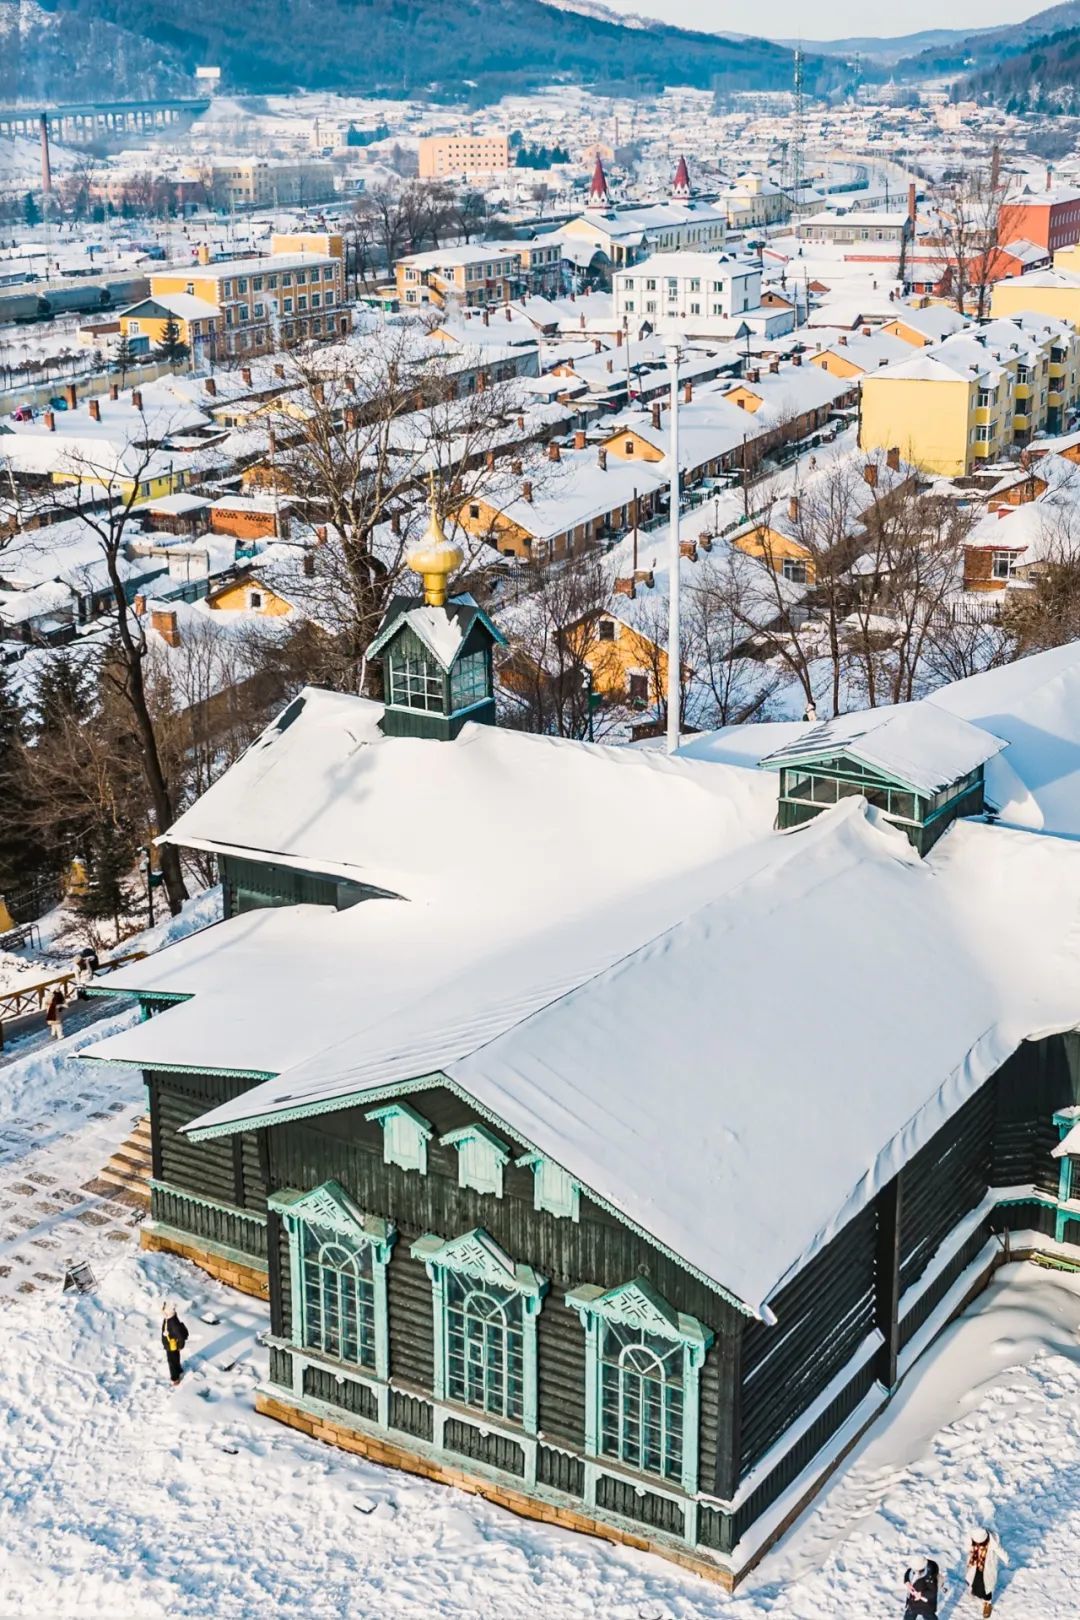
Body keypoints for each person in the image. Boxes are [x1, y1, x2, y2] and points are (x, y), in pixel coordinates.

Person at [966, 1527, 1008, 1617]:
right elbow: (968, 1547)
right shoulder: (973, 1538)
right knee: (975, 1582)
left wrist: (1006, 1559)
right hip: (976, 1568)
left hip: (987, 1569)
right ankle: (976, 1592)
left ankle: (987, 1603)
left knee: (987, 1588)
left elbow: (1000, 1551)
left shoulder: (992, 1543)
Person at [161, 1304, 189, 1386]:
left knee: (172, 1362)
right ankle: (179, 1370)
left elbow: (180, 1336)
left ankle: (175, 1378)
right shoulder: (170, 1318)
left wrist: (180, 1346)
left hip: (171, 1346)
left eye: (164, 1310)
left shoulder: (172, 1322)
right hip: (171, 1344)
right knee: (175, 1358)